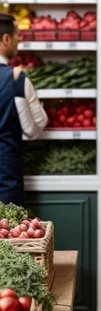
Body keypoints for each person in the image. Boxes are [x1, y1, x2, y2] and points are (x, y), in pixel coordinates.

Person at [0, 14, 47, 206]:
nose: (19, 40)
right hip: (5, 176)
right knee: (10, 233)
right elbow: (32, 129)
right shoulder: (16, 78)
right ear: (6, 39)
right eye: (17, 35)